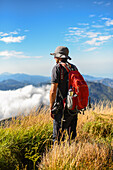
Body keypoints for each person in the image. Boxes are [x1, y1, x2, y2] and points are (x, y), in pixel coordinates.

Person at [49, 46, 78, 143]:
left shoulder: (57, 68)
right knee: (71, 135)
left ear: (58, 57)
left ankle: (57, 154)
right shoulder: (73, 67)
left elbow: (53, 90)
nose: (54, 58)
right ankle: (72, 152)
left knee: (57, 137)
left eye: (55, 56)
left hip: (60, 106)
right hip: (73, 105)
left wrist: (51, 107)